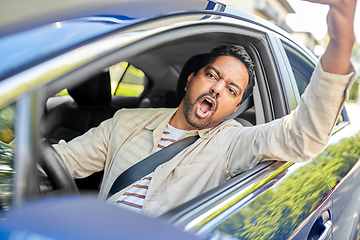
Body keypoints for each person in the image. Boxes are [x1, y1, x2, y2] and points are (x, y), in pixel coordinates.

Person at [53, 0, 358, 216]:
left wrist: (341, 41)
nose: (216, 88)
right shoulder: (125, 121)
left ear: (235, 106)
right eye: (212, 75)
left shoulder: (231, 143)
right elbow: (61, 162)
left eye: (231, 89)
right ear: (190, 80)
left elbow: (302, 136)